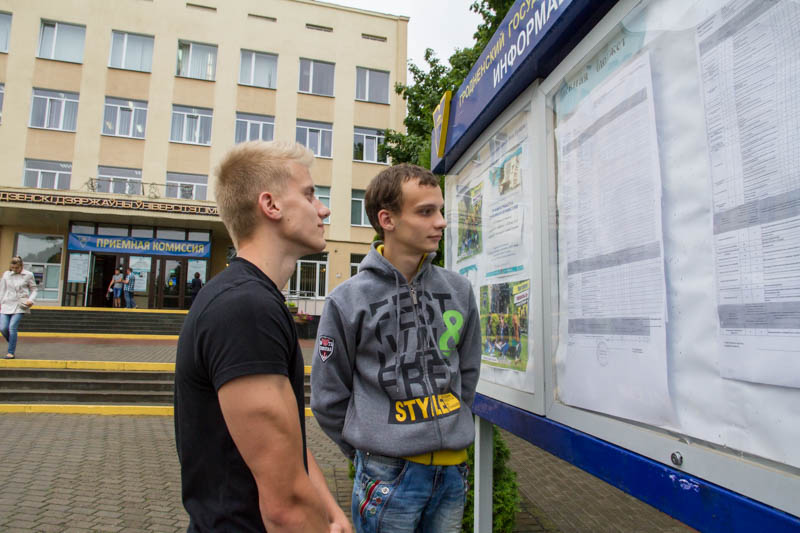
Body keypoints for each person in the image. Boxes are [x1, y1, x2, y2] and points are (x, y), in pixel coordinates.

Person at [174, 141, 349, 532]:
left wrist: (327, 509)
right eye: (309, 194)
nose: (323, 209)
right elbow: (285, 507)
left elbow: (286, 444)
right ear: (271, 206)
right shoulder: (245, 310)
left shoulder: (249, 298)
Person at [311, 163, 482, 533]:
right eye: (425, 212)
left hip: (453, 471)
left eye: (440, 210)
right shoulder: (347, 300)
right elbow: (328, 397)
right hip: (386, 472)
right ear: (387, 219)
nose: (441, 222)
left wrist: (453, 422)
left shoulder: (459, 290)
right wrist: (370, 447)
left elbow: (467, 372)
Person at [0, 256, 38, 359]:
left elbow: (34, 289)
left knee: (12, 327)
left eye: (17, 268)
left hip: (21, 304)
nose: (15, 270)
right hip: (6, 304)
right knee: (3, 328)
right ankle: (12, 342)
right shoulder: (6, 275)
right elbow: (2, 289)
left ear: (21, 266)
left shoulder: (28, 275)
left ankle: (10, 352)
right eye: (13, 268)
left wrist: (31, 300)